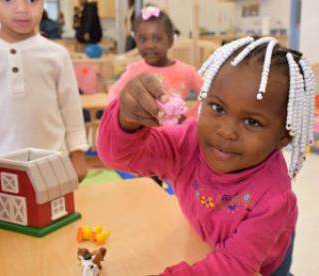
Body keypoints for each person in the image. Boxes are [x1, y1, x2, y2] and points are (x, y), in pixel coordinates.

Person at [97, 36, 316, 275]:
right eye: (218, 108)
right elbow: (119, 156)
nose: (226, 131)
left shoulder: (273, 199)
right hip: (207, 241)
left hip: (265, 259)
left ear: (283, 137)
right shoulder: (187, 144)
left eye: (252, 121)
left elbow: (234, 266)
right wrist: (126, 119)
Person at [0, 0, 88, 182]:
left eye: (32, 1)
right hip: (3, 165)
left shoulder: (57, 54)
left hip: (53, 162)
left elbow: (71, 109)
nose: (22, 9)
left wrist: (77, 153)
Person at [108, 5, 203, 108]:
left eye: (157, 39)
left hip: (177, 124)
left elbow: (207, 94)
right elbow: (114, 93)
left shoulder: (186, 72)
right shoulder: (134, 71)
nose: (150, 45)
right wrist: (123, 113)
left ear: (170, 41)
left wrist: (192, 116)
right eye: (143, 39)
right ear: (136, 41)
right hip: (142, 124)